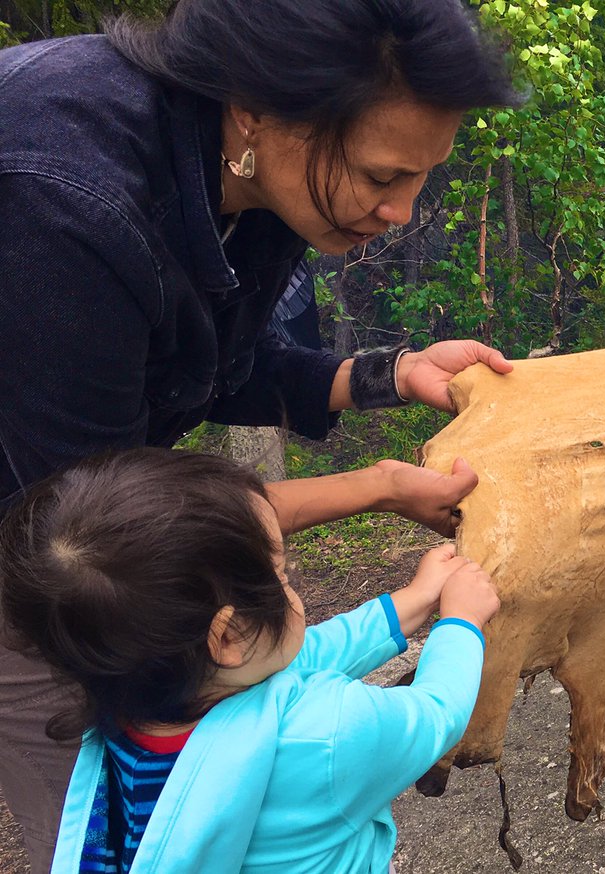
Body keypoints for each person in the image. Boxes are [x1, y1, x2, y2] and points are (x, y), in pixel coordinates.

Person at [0, 0, 518, 868]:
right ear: (257, 109)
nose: (401, 211)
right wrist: (379, 487)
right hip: (41, 546)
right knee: (120, 822)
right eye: (381, 175)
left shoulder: (257, 175)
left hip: (88, 518)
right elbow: (111, 534)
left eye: (423, 175)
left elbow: (216, 362)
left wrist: (388, 373)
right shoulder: (64, 210)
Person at [0, 448, 501, 872]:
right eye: (282, 573)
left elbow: (307, 655)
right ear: (226, 636)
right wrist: (461, 622)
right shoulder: (324, 733)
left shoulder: (132, 708)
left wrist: (414, 598)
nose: (291, 584)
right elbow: (438, 713)